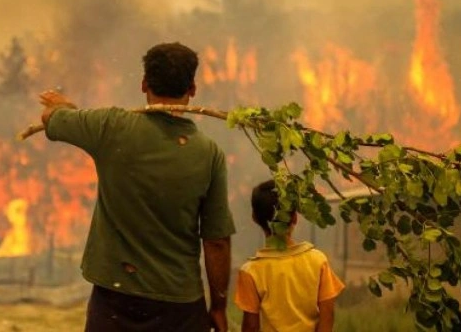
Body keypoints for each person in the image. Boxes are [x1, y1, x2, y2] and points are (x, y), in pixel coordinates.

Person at [38, 42, 236, 332]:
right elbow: (216, 240)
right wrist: (218, 307)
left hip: (115, 301)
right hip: (179, 306)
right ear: (192, 89)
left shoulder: (109, 127)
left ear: (144, 84)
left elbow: (50, 119)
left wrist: (64, 109)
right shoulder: (209, 154)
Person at [234, 180, 345, 332]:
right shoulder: (318, 261)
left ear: (254, 217)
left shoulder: (251, 271)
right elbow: (328, 315)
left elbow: (251, 327)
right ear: (294, 218)